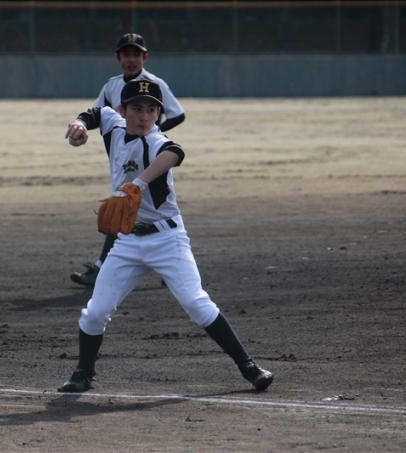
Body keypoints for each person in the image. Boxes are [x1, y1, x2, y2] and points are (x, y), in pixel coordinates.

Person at [59, 80, 274, 393]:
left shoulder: (156, 140)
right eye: (137, 108)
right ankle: (83, 373)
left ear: (158, 113)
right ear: (123, 110)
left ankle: (250, 367)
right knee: (95, 313)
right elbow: (96, 113)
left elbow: (175, 152)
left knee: (197, 303)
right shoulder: (113, 124)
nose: (144, 116)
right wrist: (79, 123)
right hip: (129, 241)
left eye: (151, 110)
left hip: (167, 239)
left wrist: (138, 184)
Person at [70, 33, 186, 288]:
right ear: (118, 58)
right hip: (122, 153)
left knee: (136, 205)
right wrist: (82, 125)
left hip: (152, 152)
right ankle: (171, 264)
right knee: (124, 206)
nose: (131, 59)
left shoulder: (155, 83)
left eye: (136, 54)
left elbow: (178, 114)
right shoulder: (111, 86)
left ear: (145, 57)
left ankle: (167, 262)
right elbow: (97, 113)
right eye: (126, 54)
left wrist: (155, 132)